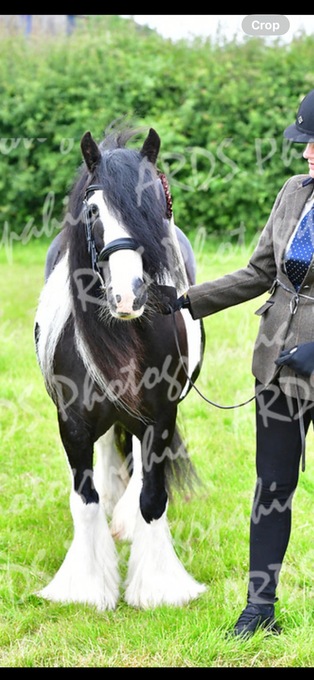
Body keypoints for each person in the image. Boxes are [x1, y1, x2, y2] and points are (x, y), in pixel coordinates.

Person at [168, 89, 314, 637]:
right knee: (272, 486)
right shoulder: (294, 193)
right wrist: (184, 300)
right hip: (277, 366)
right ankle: (260, 608)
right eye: (304, 145)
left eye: (313, 144)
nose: (306, 155)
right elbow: (257, 273)